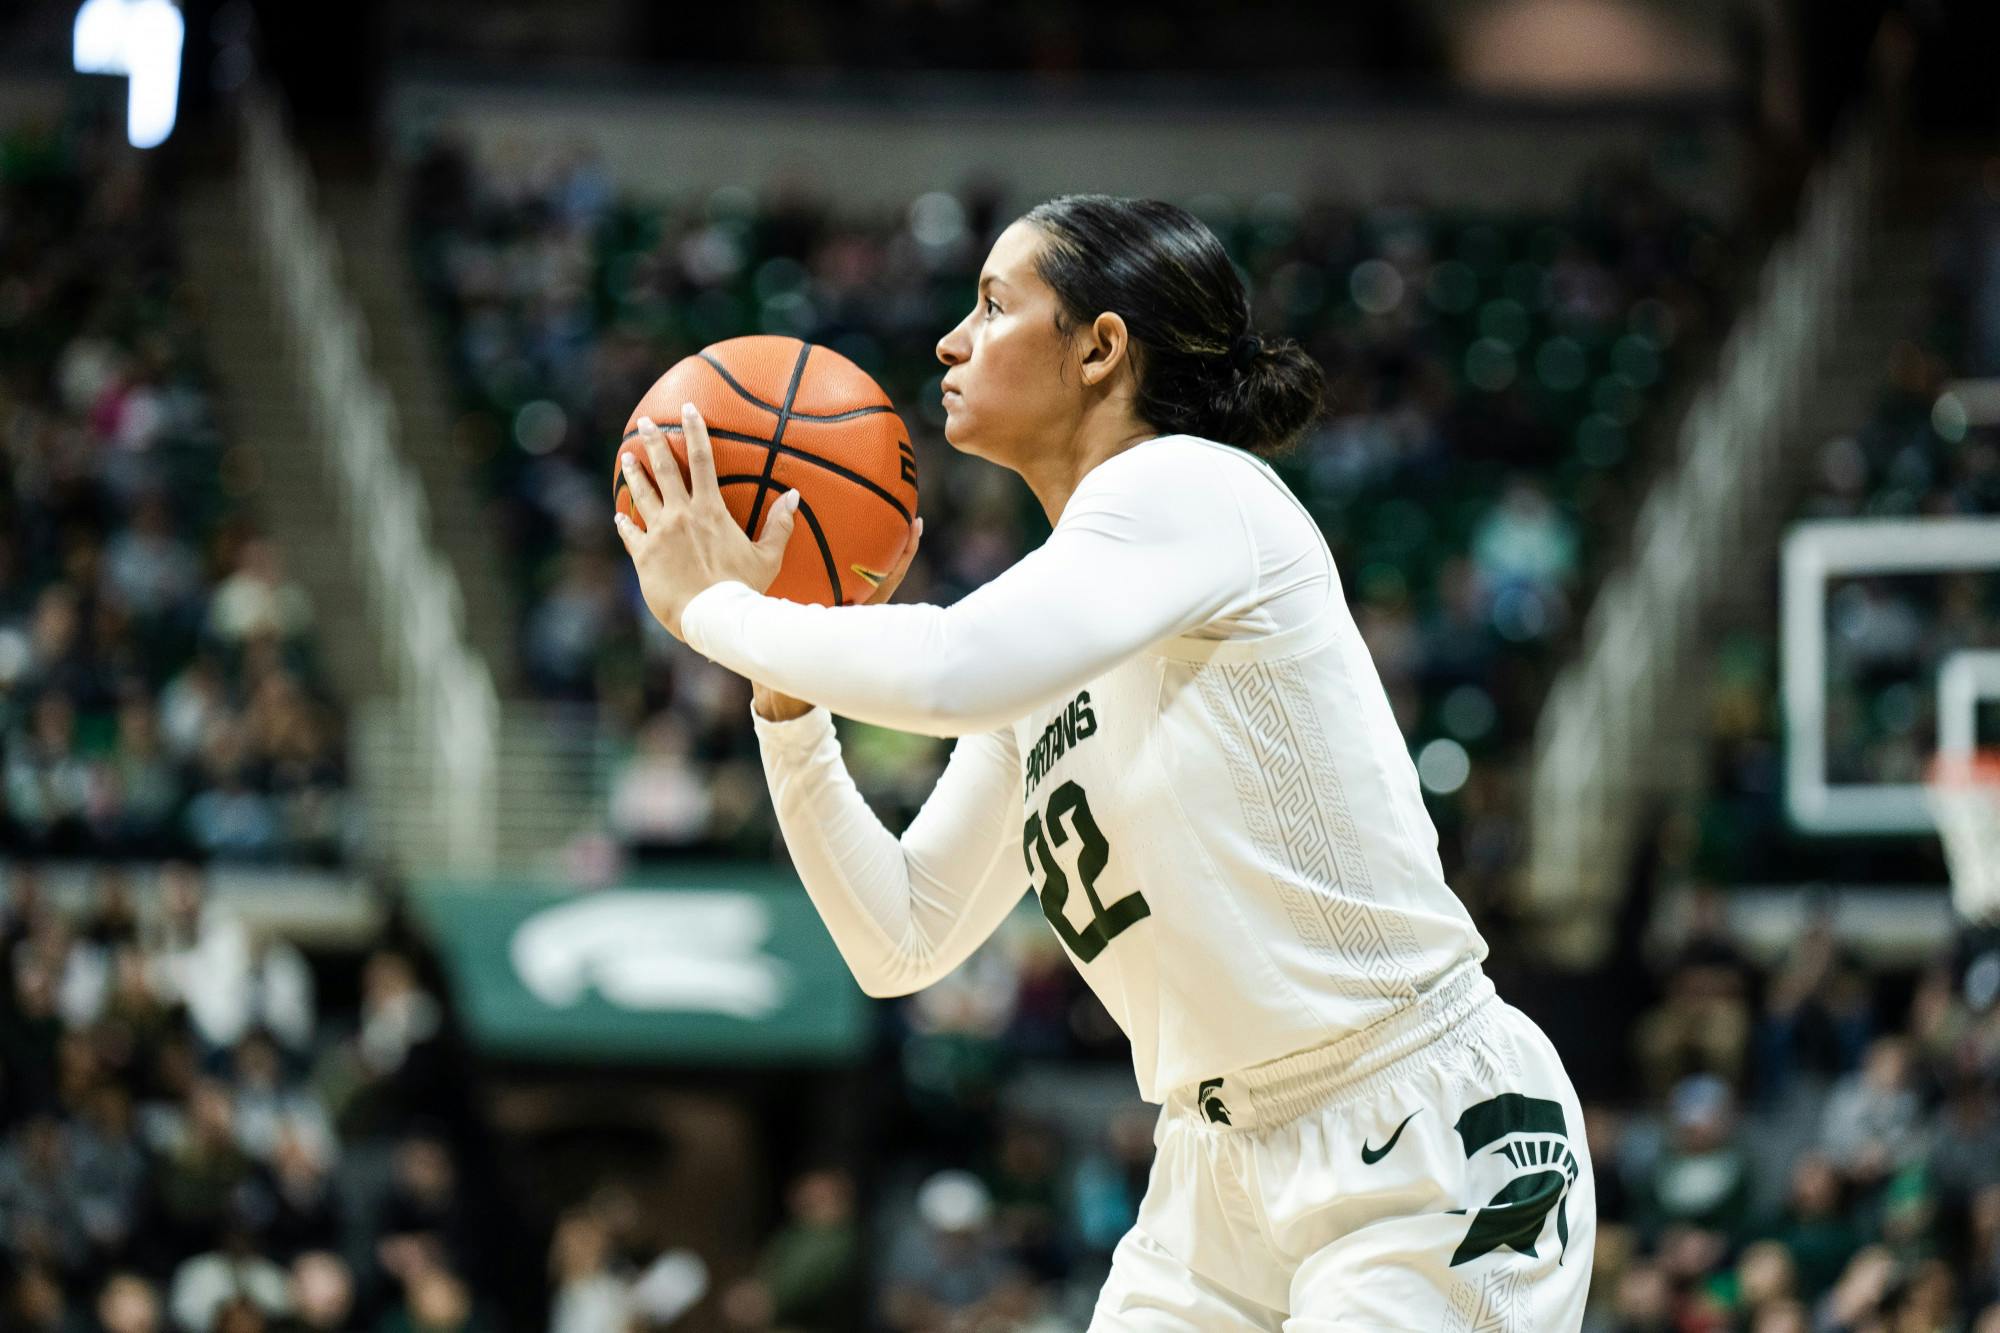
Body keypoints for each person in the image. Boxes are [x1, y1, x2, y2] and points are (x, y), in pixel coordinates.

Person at [614, 194, 1595, 1330]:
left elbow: (945, 670)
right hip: (1212, 1167)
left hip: (1411, 1130)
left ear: (1099, 347)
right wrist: (786, 706)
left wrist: (712, 607)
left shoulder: (1188, 485)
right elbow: (902, 936)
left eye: (991, 304)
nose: (948, 340)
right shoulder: (1067, 621)